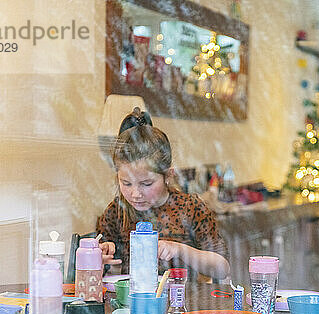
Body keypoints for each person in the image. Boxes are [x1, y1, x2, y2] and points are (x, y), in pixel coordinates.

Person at [96, 107, 230, 281]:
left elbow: (222, 269)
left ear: (168, 175)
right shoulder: (117, 211)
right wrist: (99, 258)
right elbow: (104, 271)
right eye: (126, 183)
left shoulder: (189, 208)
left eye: (146, 184)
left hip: (181, 303)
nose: (135, 194)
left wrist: (180, 249)